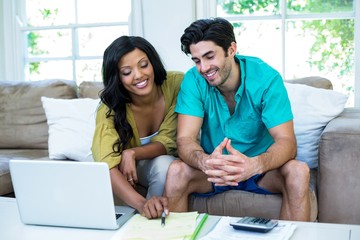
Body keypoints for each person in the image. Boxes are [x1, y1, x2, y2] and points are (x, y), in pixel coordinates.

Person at [164, 17, 311, 221]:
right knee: (176, 171)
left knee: (299, 171)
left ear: (231, 49)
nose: (203, 68)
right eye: (197, 60)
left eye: (209, 56)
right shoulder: (193, 80)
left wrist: (254, 164)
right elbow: (185, 139)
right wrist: (205, 161)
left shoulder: (267, 79)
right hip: (214, 171)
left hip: (261, 171)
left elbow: (287, 142)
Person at [92, 36, 183, 219]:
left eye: (143, 65)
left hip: (156, 162)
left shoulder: (176, 84)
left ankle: (155, 226)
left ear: (152, 62)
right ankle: (144, 222)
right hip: (121, 168)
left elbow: (170, 141)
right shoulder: (109, 108)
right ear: (117, 78)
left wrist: (132, 153)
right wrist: (143, 204)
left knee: (165, 163)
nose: (139, 75)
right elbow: (107, 164)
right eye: (127, 72)